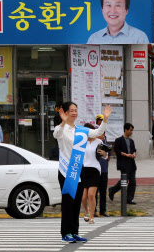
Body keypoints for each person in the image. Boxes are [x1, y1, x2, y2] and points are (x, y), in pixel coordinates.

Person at [53, 101, 111, 244]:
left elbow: (98, 133)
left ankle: (74, 231)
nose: (74, 112)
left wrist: (105, 119)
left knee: (77, 202)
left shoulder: (81, 130)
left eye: (75, 110)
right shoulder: (62, 129)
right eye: (71, 110)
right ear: (65, 112)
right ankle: (65, 233)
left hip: (79, 170)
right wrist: (63, 122)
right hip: (66, 171)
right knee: (67, 203)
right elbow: (56, 134)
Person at [80, 124, 108, 225]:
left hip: (95, 170)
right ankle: (86, 211)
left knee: (91, 195)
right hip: (84, 169)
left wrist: (104, 154)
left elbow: (105, 156)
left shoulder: (99, 142)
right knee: (83, 197)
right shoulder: (81, 142)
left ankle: (91, 216)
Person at [109, 123, 137, 204]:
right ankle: (112, 190)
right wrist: (126, 154)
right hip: (123, 163)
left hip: (131, 163)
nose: (131, 132)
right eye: (130, 130)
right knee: (124, 180)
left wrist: (134, 154)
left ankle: (129, 199)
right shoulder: (118, 140)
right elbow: (117, 150)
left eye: (132, 130)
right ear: (126, 130)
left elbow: (134, 149)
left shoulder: (131, 141)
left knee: (133, 182)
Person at [95, 133, 110, 217]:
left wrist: (105, 154)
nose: (102, 137)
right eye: (100, 135)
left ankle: (103, 210)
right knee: (94, 192)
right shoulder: (93, 145)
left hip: (104, 170)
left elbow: (108, 157)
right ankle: (94, 210)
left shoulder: (106, 146)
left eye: (103, 135)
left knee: (103, 191)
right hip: (95, 171)